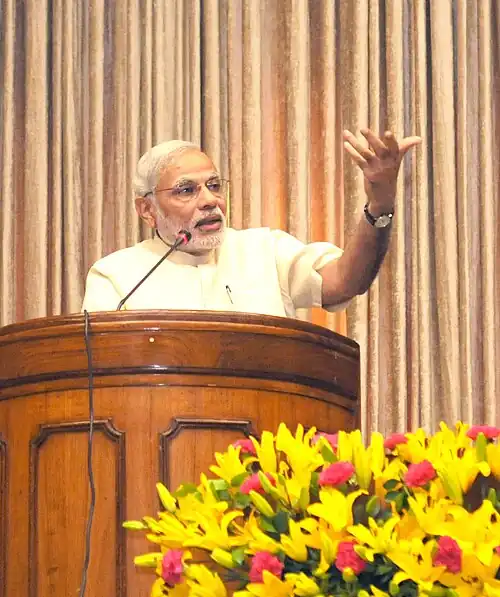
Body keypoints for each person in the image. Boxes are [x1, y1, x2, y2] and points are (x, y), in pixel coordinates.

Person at [82, 130, 421, 317]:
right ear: (147, 210)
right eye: (187, 190)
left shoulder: (265, 250)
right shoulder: (116, 277)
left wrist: (380, 205)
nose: (209, 200)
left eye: (214, 185)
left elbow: (346, 281)